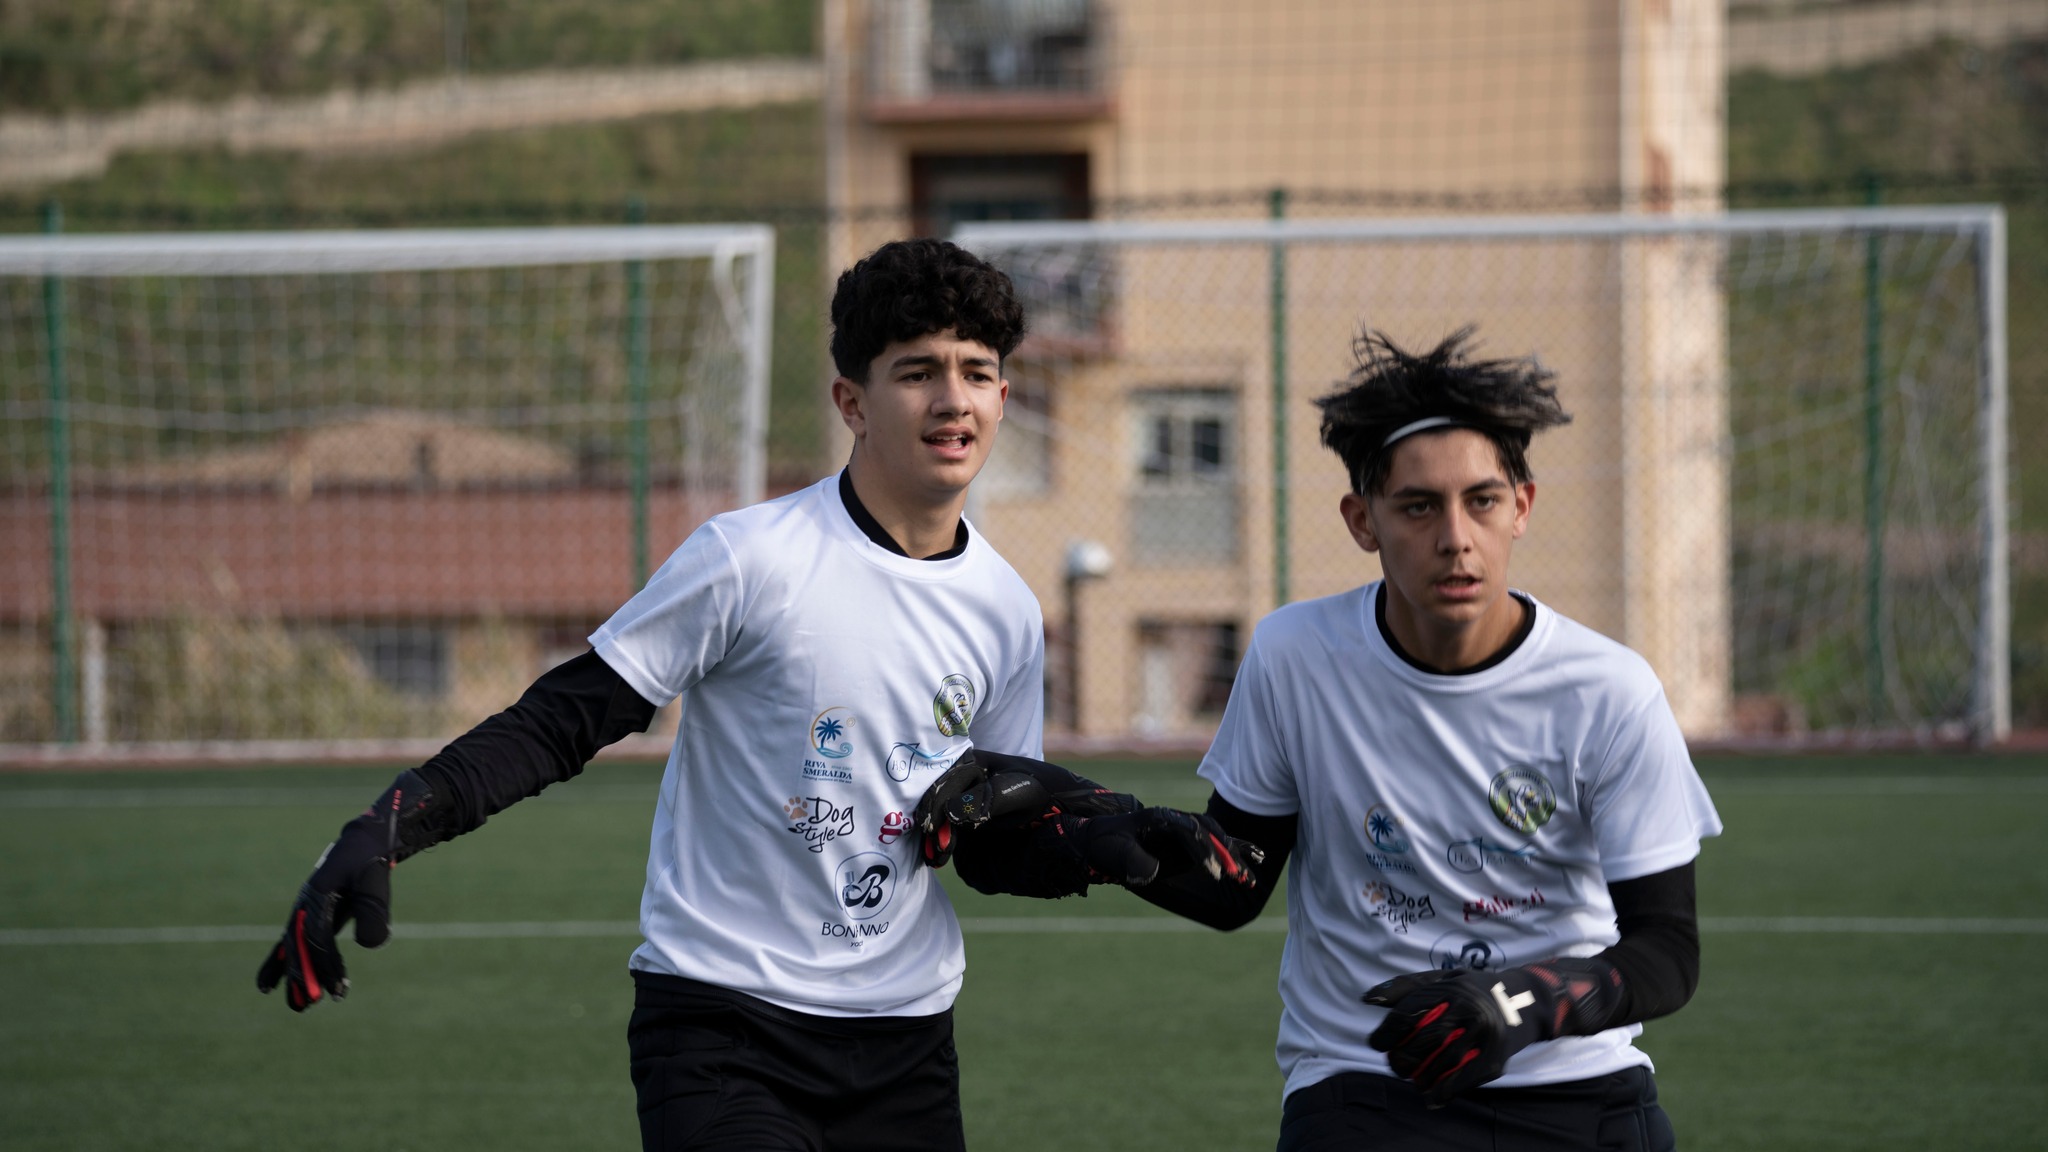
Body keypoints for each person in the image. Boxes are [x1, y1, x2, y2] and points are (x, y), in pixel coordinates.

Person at [256, 238, 1163, 1152]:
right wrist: (391, 824)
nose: (952, 399)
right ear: (852, 401)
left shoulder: (1007, 608)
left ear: (1005, 397)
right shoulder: (751, 557)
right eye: (917, 372)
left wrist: (1107, 842)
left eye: (977, 371)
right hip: (724, 1029)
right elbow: (563, 721)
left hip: (908, 1045)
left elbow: (987, 843)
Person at [939, 328, 1723, 1151]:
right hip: (1364, 1086)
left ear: (1521, 507)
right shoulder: (1295, 655)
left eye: (1482, 501)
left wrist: (1516, 1003)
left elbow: (1667, 953)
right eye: (1418, 506)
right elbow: (1235, 881)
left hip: (1578, 1091)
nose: (1455, 536)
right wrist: (1099, 825)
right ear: (1363, 521)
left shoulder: (1610, 690)